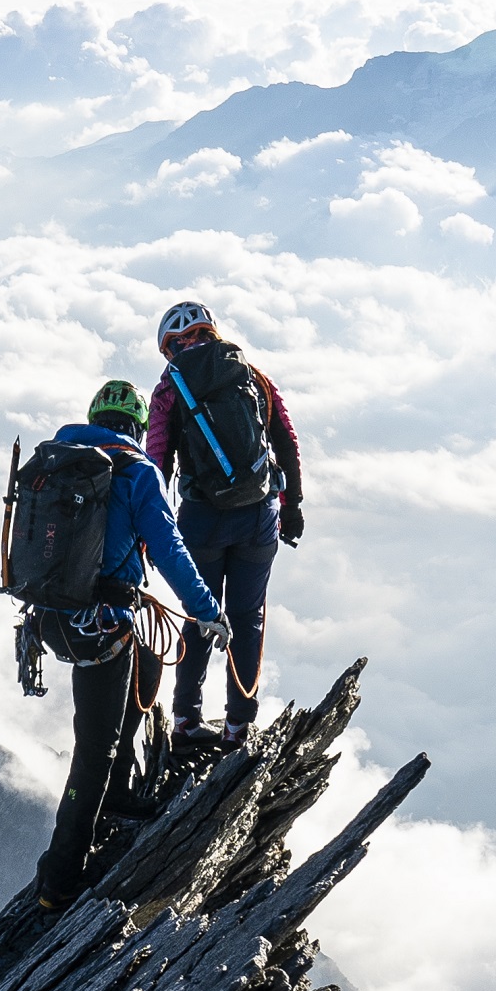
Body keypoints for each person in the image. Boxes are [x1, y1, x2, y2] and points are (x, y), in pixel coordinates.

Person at [20, 377, 226, 909]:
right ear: (137, 427)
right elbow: (171, 551)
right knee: (95, 746)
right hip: (102, 625)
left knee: (145, 676)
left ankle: (117, 794)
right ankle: (61, 877)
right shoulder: (138, 474)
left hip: (54, 617)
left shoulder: (61, 462)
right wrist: (208, 612)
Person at [142, 298, 305, 753]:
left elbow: (156, 465)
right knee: (247, 618)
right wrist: (292, 507)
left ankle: (186, 722)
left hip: (202, 522)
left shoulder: (168, 391)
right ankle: (238, 727)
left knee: (200, 616)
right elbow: (285, 441)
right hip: (259, 515)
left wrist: (152, 534)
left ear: (169, 348)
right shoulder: (251, 375)